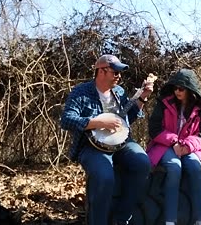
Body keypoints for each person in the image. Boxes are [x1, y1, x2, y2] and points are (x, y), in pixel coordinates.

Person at [60, 54, 153, 225]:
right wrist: (96, 122)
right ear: (101, 71)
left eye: (119, 73)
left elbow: (128, 118)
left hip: (122, 144)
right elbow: (66, 120)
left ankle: (122, 218)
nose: (118, 76)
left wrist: (142, 97)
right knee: (104, 177)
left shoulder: (119, 92)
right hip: (91, 146)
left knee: (142, 164)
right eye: (115, 72)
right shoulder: (81, 92)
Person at [146, 68, 201, 225]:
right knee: (174, 168)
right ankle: (170, 221)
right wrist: (174, 142)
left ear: (190, 90)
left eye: (181, 88)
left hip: (189, 147)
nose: (177, 91)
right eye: (175, 87)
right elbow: (154, 129)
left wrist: (187, 146)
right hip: (164, 145)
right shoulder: (164, 104)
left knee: (195, 167)